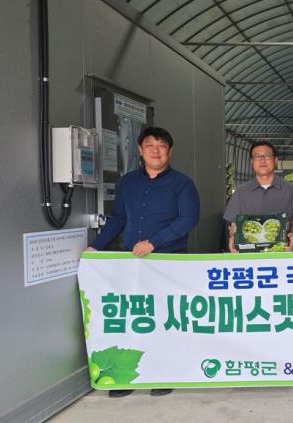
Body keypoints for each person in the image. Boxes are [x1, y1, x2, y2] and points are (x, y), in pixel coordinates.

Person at [87, 126, 200, 397]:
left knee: (163, 318)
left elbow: (188, 220)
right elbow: (118, 219)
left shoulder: (182, 184)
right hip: (132, 263)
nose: (155, 151)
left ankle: (162, 374)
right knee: (132, 317)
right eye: (150, 145)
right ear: (140, 150)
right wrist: (96, 247)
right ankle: (125, 377)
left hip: (167, 262)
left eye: (161, 146)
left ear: (169, 152)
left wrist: (153, 243)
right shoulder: (128, 183)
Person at [223, 141, 293, 251]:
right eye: (257, 156)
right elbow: (234, 224)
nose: (262, 160)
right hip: (249, 253)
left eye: (266, 155)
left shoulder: (291, 189)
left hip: (280, 252)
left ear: (275, 160)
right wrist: (233, 237)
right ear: (252, 162)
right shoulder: (240, 192)